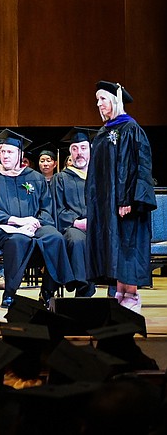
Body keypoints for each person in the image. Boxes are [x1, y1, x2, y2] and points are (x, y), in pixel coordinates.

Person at [0, 129, 76, 308]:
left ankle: (47, 292)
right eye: (3, 152)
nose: (5, 156)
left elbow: (46, 208)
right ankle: (10, 293)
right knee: (17, 240)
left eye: (10, 152)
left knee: (55, 238)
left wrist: (34, 224)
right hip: (5, 228)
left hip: (35, 225)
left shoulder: (35, 178)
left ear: (20, 155)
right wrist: (18, 221)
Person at [86, 81, 155, 313]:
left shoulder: (130, 129)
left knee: (127, 245)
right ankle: (120, 292)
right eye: (97, 100)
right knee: (114, 245)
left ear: (115, 100)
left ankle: (132, 295)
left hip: (127, 204)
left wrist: (127, 199)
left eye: (102, 99)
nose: (98, 104)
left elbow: (137, 167)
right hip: (108, 204)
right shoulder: (105, 132)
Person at [53, 127, 97, 298]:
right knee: (77, 240)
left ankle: (118, 291)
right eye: (75, 149)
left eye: (83, 148)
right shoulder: (61, 178)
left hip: (99, 226)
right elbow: (57, 208)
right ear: (70, 152)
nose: (79, 153)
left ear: (91, 150)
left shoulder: (100, 177)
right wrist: (76, 222)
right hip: (73, 226)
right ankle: (83, 290)